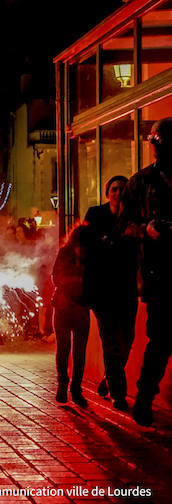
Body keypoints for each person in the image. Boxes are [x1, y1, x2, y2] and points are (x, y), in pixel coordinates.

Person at [121, 117, 172, 426]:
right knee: (161, 340)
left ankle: (145, 397)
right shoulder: (140, 182)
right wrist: (147, 229)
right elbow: (123, 224)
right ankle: (144, 397)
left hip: (159, 272)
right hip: (160, 272)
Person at [83, 175, 138, 411]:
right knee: (110, 341)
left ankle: (109, 376)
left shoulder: (135, 217)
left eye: (122, 190)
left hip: (127, 289)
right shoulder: (95, 214)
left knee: (127, 339)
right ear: (107, 193)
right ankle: (118, 393)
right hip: (102, 290)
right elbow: (83, 246)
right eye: (114, 189)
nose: (117, 193)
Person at [52, 225, 90, 406]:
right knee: (64, 347)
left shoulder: (91, 257)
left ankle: (75, 387)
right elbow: (57, 278)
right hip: (63, 305)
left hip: (81, 306)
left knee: (79, 350)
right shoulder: (64, 253)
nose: (81, 250)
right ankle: (63, 384)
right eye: (79, 247)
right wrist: (80, 279)